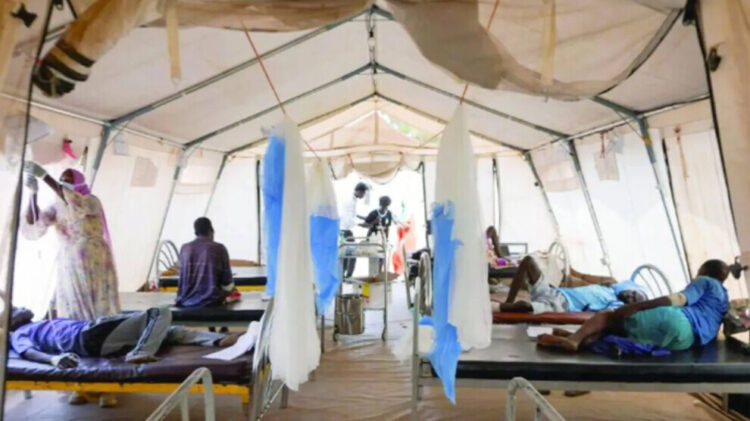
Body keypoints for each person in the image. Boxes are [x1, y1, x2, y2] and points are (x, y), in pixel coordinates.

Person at [10, 307, 238, 406]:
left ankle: (218, 340)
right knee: (160, 312)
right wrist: (53, 360)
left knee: (167, 331)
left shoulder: (40, 322)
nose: (22, 307)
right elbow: (28, 352)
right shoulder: (19, 334)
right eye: (14, 309)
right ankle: (141, 352)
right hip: (89, 335)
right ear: (10, 321)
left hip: (100, 341)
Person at [537, 259, 730, 352]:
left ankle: (574, 339)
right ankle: (580, 338)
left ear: (704, 270)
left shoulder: (705, 281)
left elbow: (678, 299)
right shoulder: (724, 297)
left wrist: (637, 307)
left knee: (607, 315)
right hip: (685, 341)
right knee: (615, 328)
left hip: (678, 321)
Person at [22, 162, 120, 321]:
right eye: (61, 181)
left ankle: (101, 327)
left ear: (79, 184)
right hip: (69, 262)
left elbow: (74, 202)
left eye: (67, 181)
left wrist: (45, 177)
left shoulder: (91, 201)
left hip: (93, 259)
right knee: (73, 301)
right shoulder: (57, 208)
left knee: (96, 298)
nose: (63, 185)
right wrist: (33, 194)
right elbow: (34, 223)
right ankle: (78, 329)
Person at [176, 217, 236, 308]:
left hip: (185, 302)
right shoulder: (219, 248)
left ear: (195, 233)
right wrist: (233, 291)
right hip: (212, 302)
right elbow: (227, 283)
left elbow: (181, 279)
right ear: (211, 230)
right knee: (233, 293)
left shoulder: (184, 248)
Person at [339, 182, 369, 278]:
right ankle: (348, 276)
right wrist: (362, 225)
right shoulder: (350, 201)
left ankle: (344, 275)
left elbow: (353, 214)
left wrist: (364, 218)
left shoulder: (352, 200)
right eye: (364, 193)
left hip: (344, 230)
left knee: (346, 253)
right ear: (360, 191)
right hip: (345, 230)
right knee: (352, 253)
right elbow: (349, 219)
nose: (364, 196)